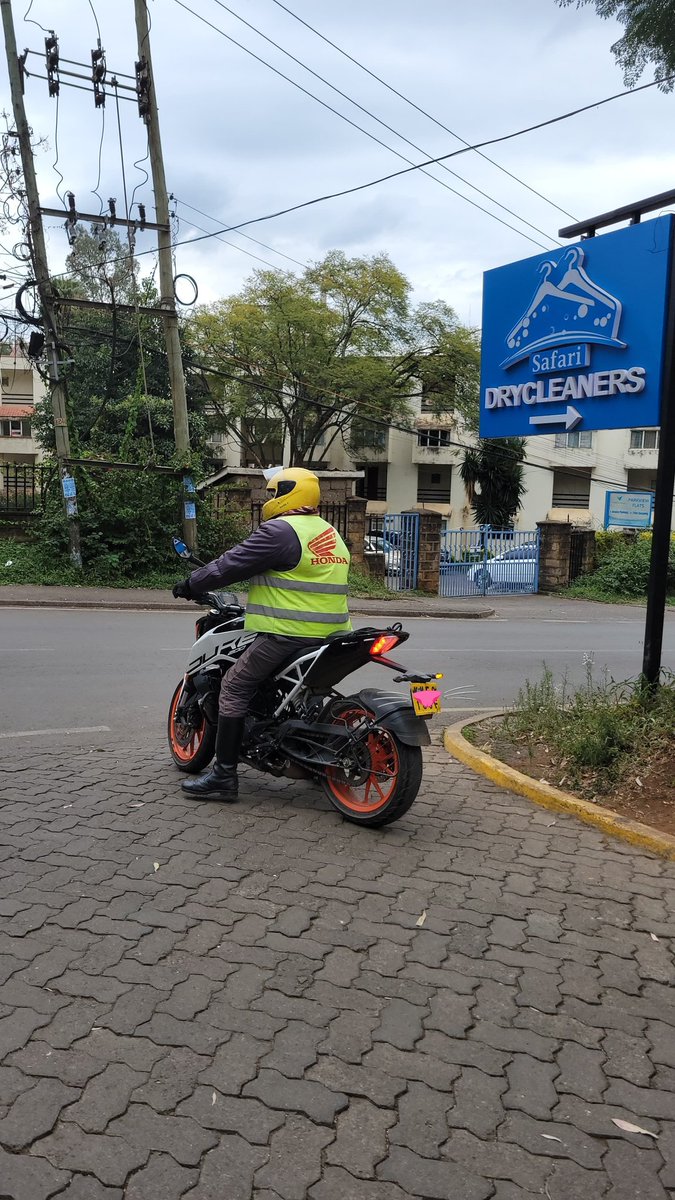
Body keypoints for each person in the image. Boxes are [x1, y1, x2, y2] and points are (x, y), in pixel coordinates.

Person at [172, 468, 351, 801]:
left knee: (235, 685)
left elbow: (231, 564)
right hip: (333, 635)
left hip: (288, 633)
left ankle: (224, 776)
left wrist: (191, 583)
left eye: (273, 493)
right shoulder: (329, 532)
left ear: (287, 493)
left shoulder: (281, 531)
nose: (270, 500)